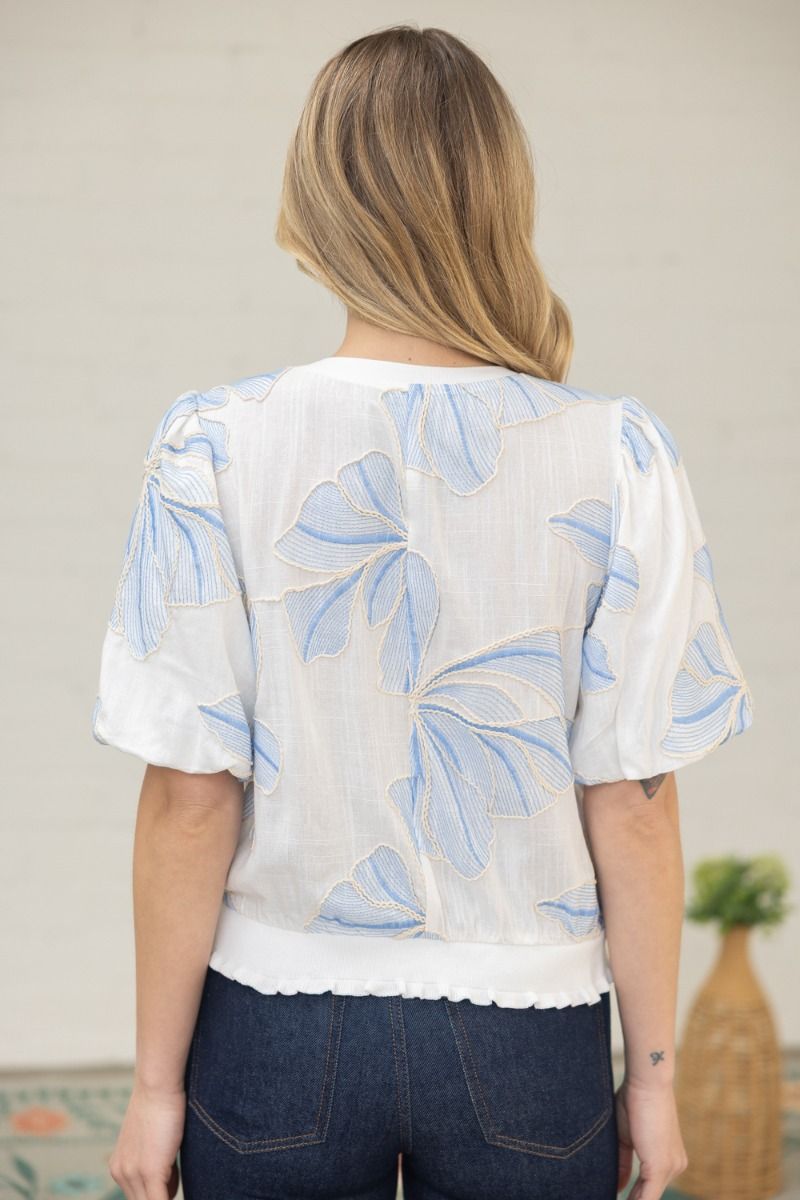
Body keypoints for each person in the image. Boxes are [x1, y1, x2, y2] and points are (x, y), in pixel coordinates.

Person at [91, 23, 754, 1200]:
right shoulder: (618, 453)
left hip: (277, 1024)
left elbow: (190, 800)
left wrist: (153, 1086)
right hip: (528, 1033)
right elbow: (633, 806)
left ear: (317, 198)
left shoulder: (214, 444)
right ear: (501, 197)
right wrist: (650, 1083)